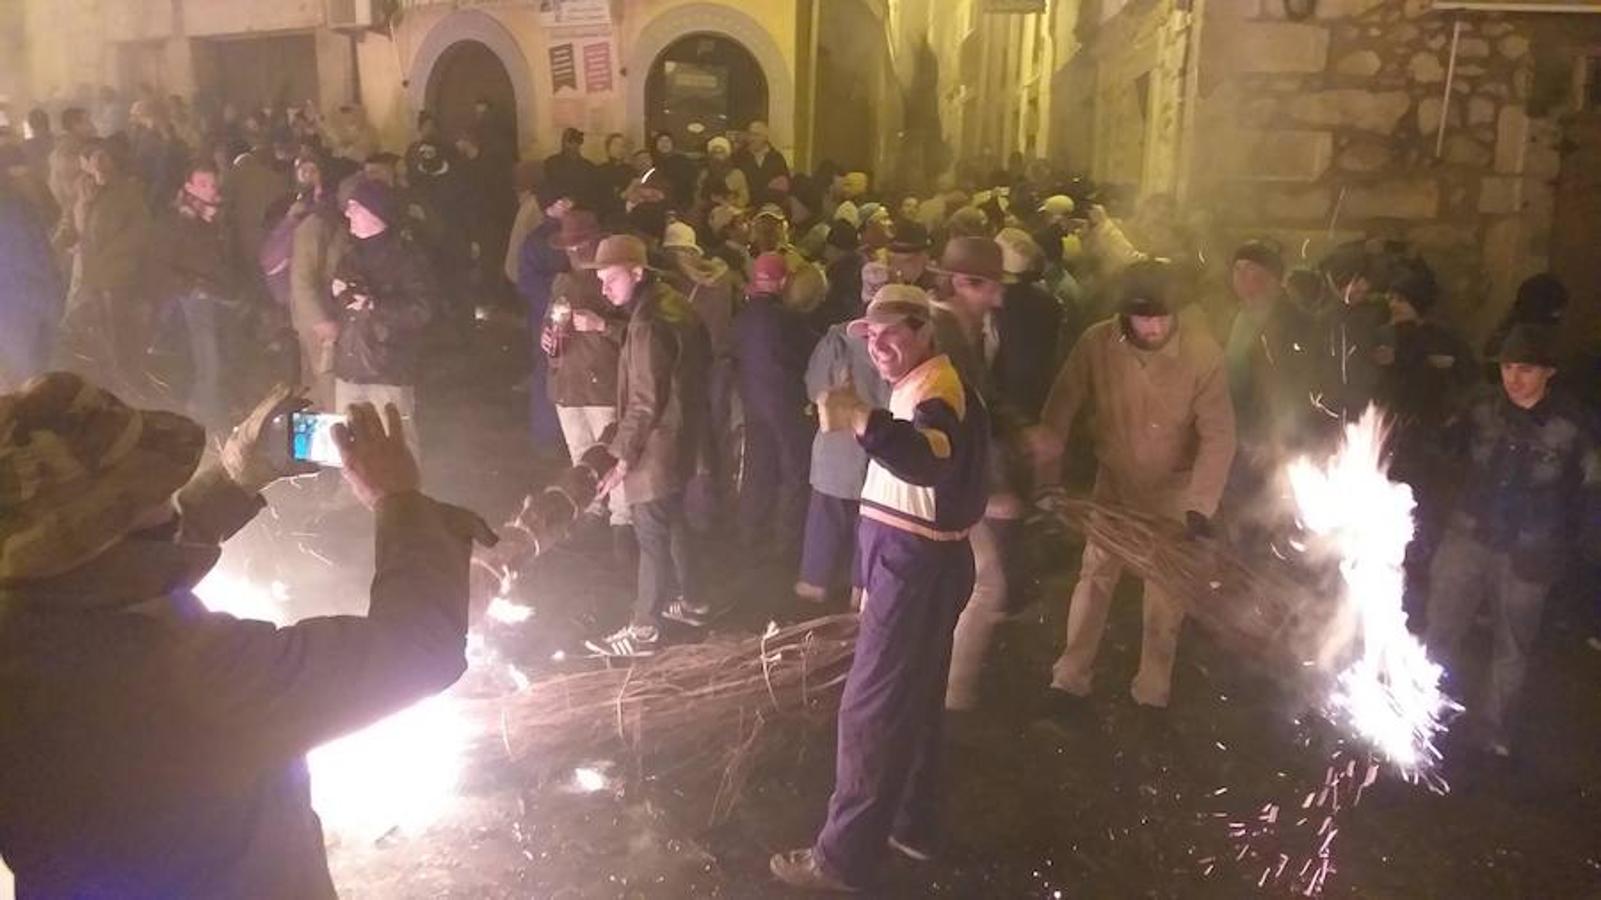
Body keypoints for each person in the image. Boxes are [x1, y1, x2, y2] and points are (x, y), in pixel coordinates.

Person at [0, 373, 493, 897]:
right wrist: (400, 503)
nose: (169, 502)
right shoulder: (195, 675)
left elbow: (121, 565)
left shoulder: (32, 618)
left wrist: (239, 477)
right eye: (151, 492)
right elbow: (414, 650)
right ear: (108, 533)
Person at [770, 284, 989, 892]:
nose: (879, 345)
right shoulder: (929, 383)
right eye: (870, 334)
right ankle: (914, 828)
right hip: (919, 563)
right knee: (914, 703)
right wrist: (867, 574)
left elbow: (930, 458)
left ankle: (842, 859)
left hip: (915, 567)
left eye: (893, 332)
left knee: (869, 711)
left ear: (924, 331)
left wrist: (862, 418)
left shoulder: (937, 391)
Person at [1032, 260, 1236, 710]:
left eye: (1163, 315)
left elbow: (1219, 434)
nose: (1154, 325)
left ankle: (1152, 692)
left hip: (1175, 491)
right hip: (1115, 483)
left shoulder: (1203, 354)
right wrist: (1047, 479)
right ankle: (1069, 677)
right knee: (1095, 575)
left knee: (1166, 591)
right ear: (1126, 314)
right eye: (1144, 316)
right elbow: (1060, 408)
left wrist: (1200, 506)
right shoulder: (1096, 343)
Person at [1423, 325, 1599, 758]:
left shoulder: (1574, 425)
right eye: (1506, 367)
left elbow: (1592, 489)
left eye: (1526, 368)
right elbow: (1442, 448)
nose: (1514, 378)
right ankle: (1425, 708)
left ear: (1549, 372)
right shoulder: (1481, 405)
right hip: (1469, 533)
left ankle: (1492, 728)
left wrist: (1585, 549)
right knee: (1441, 628)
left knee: (1513, 644)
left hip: (1531, 550)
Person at [585, 235, 710, 655]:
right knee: (672, 521)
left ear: (637, 272)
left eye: (612, 279)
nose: (605, 290)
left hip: (656, 449)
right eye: (600, 280)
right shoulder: (672, 302)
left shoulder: (646, 323)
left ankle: (644, 629)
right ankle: (693, 600)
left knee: (651, 536)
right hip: (681, 439)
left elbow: (643, 401)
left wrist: (620, 458)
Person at [796, 261, 894, 605]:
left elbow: (814, 386)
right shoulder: (899, 343)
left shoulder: (837, 337)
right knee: (869, 523)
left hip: (835, 446)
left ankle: (813, 587)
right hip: (878, 446)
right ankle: (860, 591)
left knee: (826, 517)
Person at [541, 209, 631, 537]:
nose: (575, 252)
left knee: (612, 455)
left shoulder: (611, 280)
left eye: (580, 245)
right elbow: (550, 324)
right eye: (569, 246)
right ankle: (590, 508)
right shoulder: (562, 281)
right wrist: (548, 338)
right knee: (580, 454)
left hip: (601, 385)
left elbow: (637, 334)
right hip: (567, 384)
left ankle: (623, 519)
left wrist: (601, 325)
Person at [331, 180, 437, 456]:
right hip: (350, 366)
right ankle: (350, 494)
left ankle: (405, 498)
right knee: (348, 443)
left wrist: (373, 305)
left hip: (387, 369)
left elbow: (421, 309)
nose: (347, 213)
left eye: (354, 207)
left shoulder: (407, 258)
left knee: (396, 445)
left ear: (374, 213)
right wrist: (340, 293)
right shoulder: (350, 254)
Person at [733, 252, 819, 561]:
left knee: (758, 471)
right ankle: (787, 546)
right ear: (783, 281)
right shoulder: (788, 319)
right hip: (787, 406)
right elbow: (813, 355)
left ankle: (749, 536)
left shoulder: (742, 316)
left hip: (752, 403)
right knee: (796, 474)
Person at [661, 220, 741, 529]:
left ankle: (696, 509)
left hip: (689, 368)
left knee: (691, 436)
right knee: (715, 435)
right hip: (719, 367)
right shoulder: (722, 281)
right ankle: (713, 504)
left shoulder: (675, 284)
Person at [149, 163, 237, 426]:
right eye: (202, 185)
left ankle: (209, 412)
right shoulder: (178, 220)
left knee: (216, 358)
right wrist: (191, 287)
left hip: (215, 295)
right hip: (193, 300)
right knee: (206, 361)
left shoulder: (213, 216)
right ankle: (201, 417)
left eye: (212, 184)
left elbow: (221, 257)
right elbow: (162, 264)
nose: (210, 190)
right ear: (188, 187)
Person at [62, 139, 152, 395]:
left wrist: (106, 258)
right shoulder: (82, 192)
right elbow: (70, 226)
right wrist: (62, 244)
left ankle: (129, 389)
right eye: (94, 159)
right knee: (95, 337)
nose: (100, 164)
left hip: (116, 278)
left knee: (119, 337)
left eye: (105, 158)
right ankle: (111, 385)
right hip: (90, 278)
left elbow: (139, 232)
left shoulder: (127, 192)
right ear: (86, 164)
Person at [286, 151, 346, 409]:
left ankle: (312, 444)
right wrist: (320, 319)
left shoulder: (327, 221)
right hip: (318, 323)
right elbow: (302, 279)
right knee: (326, 387)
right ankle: (329, 443)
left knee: (315, 388)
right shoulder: (317, 225)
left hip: (316, 318)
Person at [0, 174, 63, 388]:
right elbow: (44, 257)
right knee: (31, 376)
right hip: (30, 302)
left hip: (18, 306)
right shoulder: (22, 207)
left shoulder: (16, 210)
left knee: (24, 376)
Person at [734, 120, 790, 209]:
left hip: (771, 209)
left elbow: (784, 185)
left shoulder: (776, 158)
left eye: (756, 135)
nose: (752, 138)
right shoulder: (738, 157)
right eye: (750, 134)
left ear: (765, 137)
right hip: (745, 209)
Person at [544, 127, 598, 211]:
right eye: (569, 141)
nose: (572, 145)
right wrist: (561, 201)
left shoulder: (589, 167)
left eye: (575, 142)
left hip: (580, 207)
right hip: (555, 205)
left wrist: (574, 201)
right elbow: (548, 186)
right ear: (562, 142)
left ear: (580, 143)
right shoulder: (551, 162)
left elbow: (592, 193)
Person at [699, 135, 750, 211]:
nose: (718, 155)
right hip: (707, 213)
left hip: (732, 213)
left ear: (727, 153)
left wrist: (730, 201)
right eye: (715, 152)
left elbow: (745, 199)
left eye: (721, 152)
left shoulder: (737, 174)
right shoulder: (704, 174)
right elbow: (698, 197)